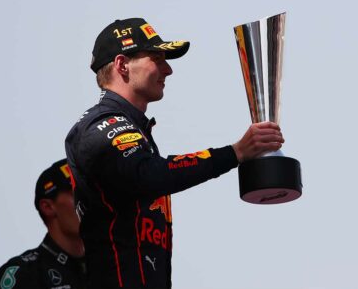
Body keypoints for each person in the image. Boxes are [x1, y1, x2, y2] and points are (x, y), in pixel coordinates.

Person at [64, 18, 283, 289]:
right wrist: (235, 153)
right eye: (157, 58)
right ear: (122, 65)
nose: (168, 70)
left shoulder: (133, 129)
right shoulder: (101, 125)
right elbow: (149, 175)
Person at [0, 159, 87, 289]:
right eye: (76, 193)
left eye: (89, 192)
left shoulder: (111, 265)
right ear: (48, 207)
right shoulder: (23, 274)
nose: (88, 201)